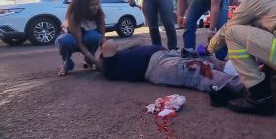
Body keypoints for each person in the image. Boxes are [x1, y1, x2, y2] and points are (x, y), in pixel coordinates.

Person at [99, 39, 244, 104]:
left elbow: (141, 41)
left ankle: (252, 73)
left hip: (170, 54)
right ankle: (248, 87)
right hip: (158, 65)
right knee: (199, 69)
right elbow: (109, 44)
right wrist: (117, 50)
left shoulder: (114, 60)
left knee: (210, 58)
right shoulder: (109, 67)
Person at [55, 0, 105, 76]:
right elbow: (79, 43)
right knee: (64, 40)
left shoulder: (99, 13)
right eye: (92, 5)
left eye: (98, 4)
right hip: (73, 39)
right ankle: (66, 62)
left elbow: (102, 39)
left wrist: (104, 57)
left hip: (88, 38)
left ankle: (89, 60)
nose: (96, 7)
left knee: (94, 36)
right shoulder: (74, 15)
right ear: (83, 5)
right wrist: (96, 62)